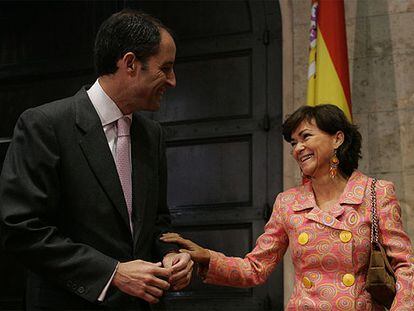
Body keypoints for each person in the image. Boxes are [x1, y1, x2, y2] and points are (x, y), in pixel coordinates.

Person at [0, 9, 193, 310]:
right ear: (130, 64)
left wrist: (171, 252)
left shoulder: (152, 135)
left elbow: (157, 221)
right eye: (165, 68)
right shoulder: (44, 125)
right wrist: (112, 273)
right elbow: (21, 228)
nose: (172, 81)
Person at [161, 104, 414, 310]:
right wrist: (208, 256)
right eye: (293, 143)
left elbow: (405, 265)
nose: (297, 149)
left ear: (337, 139)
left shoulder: (375, 193)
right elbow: (255, 269)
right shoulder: (288, 203)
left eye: (305, 137)